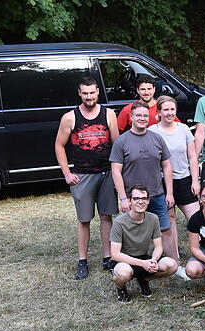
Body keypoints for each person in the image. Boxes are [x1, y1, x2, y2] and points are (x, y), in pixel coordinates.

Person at [54, 76, 120, 280]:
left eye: (92, 93)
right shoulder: (70, 118)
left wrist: (118, 172)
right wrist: (67, 173)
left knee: (106, 216)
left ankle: (108, 258)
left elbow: (117, 144)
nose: (89, 97)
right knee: (84, 220)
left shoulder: (109, 114)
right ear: (79, 93)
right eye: (85, 93)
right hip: (82, 175)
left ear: (98, 92)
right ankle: (82, 261)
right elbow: (59, 145)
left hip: (106, 172)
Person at [110, 101, 175, 261]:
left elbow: (167, 166)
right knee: (132, 232)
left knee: (165, 230)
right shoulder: (122, 141)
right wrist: (123, 198)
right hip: (133, 199)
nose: (142, 118)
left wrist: (170, 193)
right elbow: (116, 171)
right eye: (138, 115)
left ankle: (175, 264)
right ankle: (131, 266)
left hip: (157, 194)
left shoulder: (157, 139)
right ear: (131, 117)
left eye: (145, 115)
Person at [148, 95, 200, 279]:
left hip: (184, 179)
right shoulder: (152, 132)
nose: (169, 113)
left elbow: (193, 156)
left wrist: (195, 180)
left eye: (172, 109)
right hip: (162, 182)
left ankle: (200, 258)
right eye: (166, 110)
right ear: (159, 112)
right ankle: (175, 262)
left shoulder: (184, 129)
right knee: (169, 221)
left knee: (196, 218)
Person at [110, 184, 179, 303]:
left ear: (148, 201)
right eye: (136, 198)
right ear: (130, 201)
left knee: (171, 265)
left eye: (144, 198)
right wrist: (143, 264)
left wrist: (153, 260)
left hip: (144, 258)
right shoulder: (119, 222)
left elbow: (158, 247)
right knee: (123, 273)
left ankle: (145, 279)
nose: (140, 202)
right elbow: (115, 254)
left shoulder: (153, 218)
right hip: (123, 260)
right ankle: (121, 288)